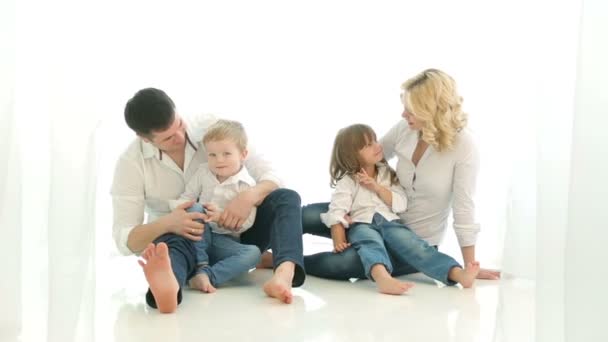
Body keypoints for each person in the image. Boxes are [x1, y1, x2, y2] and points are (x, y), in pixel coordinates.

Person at [112, 88, 305, 313]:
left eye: (179, 125)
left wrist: (248, 196)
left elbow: (272, 175)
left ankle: (282, 276)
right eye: (168, 137)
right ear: (145, 139)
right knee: (171, 248)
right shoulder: (131, 164)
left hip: (236, 231)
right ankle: (168, 289)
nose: (180, 137)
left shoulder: (210, 127)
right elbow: (125, 239)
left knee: (287, 198)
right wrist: (169, 223)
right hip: (185, 238)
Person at [302, 69, 501, 281]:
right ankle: (263, 247)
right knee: (304, 215)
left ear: (431, 110)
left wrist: (470, 265)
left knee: (345, 263)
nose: (403, 115)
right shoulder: (406, 128)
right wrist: (346, 205)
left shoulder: (464, 146)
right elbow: (369, 157)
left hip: (411, 238)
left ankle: (285, 262)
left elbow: (464, 208)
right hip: (371, 215)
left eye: (410, 110)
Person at [321, 123, 480, 294]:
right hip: (361, 223)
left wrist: (377, 188)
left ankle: (456, 273)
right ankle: (383, 279)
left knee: (415, 246)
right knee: (370, 245)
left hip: (390, 222)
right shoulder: (348, 181)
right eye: (369, 145)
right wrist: (339, 240)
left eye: (375, 140)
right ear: (352, 155)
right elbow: (337, 212)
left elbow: (401, 203)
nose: (377, 145)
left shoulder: (387, 173)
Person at [168, 119, 261, 294]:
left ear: (243, 154)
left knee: (253, 253)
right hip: (199, 235)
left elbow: (247, 223)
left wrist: (220, 217)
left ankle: (206, 275)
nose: (219, 160)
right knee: (195, 209)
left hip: (224, 241)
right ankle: (198, 264)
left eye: (226, 154)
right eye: (212, 155)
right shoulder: (203, 172)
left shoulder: (246, 185)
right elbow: (186, 197)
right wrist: (191, 209)